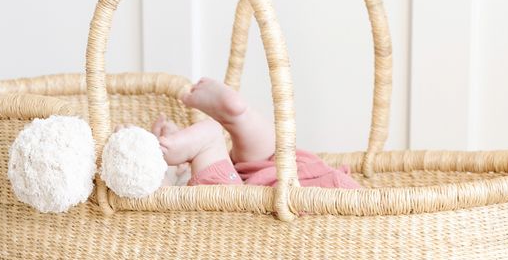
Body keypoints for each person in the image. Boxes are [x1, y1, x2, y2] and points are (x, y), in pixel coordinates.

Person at [153, 78, 359, 190]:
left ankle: (227, 127)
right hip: (318, 183)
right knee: (264, 161)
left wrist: (157, 157)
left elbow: (158, 194)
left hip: (299, 187)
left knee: (262, 157)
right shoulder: (187, 175)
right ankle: (237, 121)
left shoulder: (177, 180)